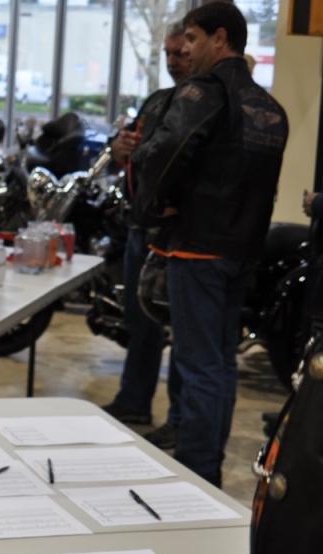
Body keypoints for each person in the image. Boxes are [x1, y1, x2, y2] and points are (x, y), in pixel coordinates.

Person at [131, 1, 288, 486]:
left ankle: (197, 472)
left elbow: (164, 152)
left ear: (220, 38)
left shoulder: (202, 93)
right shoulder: (269, 108)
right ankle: (208, 470)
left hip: (197, 249)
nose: (186, 48)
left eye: (194, 39)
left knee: (198, 365)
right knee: (219, 365)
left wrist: (151, 209)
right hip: (242, 252)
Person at [101, 23, 190, 449]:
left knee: (184, 333)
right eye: (169, 53)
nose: (174, 61)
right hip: (140, 225)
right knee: (139, 320)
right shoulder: (158, 101)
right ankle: (133, 400)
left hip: (182, 234)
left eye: (182, 53)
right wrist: (121, 151)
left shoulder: (206, 105)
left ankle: (181, 420)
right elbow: (128, 150)